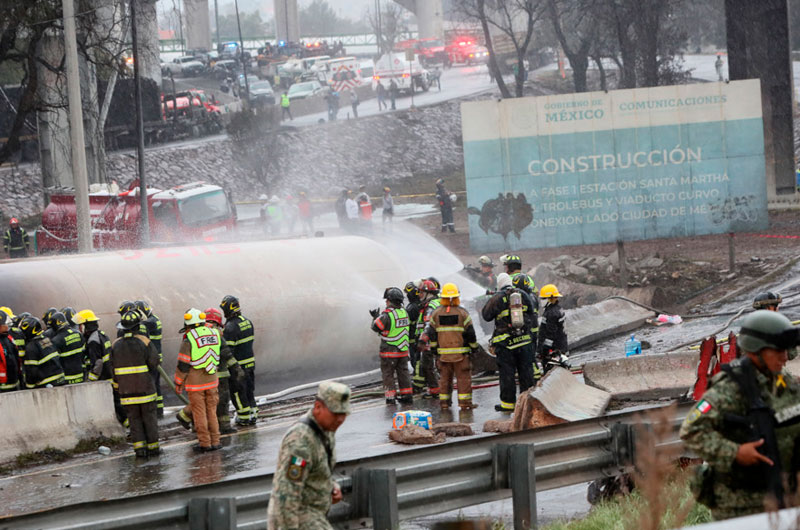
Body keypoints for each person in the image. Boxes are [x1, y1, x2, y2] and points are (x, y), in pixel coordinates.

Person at [680, 310, 800, 520]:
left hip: (784, 497)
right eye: (777, 350)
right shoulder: (729, 388)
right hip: (742, 507)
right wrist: (735, 452)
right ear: (755, 351)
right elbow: (692, 430)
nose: (785, 356)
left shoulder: (784, 382)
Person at [266, 381, 350, 529]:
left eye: (344, 414)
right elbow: (286, 495)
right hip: (295, 517)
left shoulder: (325, 431)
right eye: (335, 413)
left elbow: (317, 470)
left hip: (313, 515)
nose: (340, 419)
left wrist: (330, 487)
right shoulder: (300, 441)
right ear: (318, 407)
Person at [482, 272, 536, 412]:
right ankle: (526, 403)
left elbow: (486, 316)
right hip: (524, 341)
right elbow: (531, 311)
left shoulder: (497, 298)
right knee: (526, 372)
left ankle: (508, 404)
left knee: (507, 373)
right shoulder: (523, 295)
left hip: (505, 344)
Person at [422, 283, 478, 410]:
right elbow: (471, 333)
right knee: (463, 380)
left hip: (443, 355)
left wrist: (435, 350)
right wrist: (474, 348)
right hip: (461, 355)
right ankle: (465, 404)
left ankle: (444, 403)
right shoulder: (463, 313)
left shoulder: (436, 314)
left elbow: (431, 333)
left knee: (444, 380)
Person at [112, 310, 161, 457]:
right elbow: (154, 362)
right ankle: (153, 448)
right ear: (138, 326)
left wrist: (118, 388)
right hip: (145, 390)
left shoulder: (115, 345)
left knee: (134, 421)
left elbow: (112, 369)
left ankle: (139, 450)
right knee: (149, 418)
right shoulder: (144, 342)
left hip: (126, 392)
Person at [174, 309, 222, 452]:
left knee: (199, 412)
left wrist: (178, 383)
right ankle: (216, 441)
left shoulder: (189, 338)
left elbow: (183, 364)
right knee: (212, 411)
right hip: (212, 378)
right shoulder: (215, 333)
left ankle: (205, 443)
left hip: (196, 382)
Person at [370, 287, 413, 404]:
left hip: (389, 351)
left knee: (388, 374)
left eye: (387, 300)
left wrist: (375, 317)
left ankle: (390, 397)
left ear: (390, 300)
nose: (385, 302)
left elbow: (376, 327)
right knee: (403, 373)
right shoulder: (404, 312)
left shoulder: (387, 315)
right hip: (403, 350)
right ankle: (407, 395)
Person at [220, 295, 258, 426]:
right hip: (250, 363)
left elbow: (228, 351)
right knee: (249, 391)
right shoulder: (247, 321)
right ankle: (253, 414)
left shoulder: (230, 327)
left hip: (238, 367)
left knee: (237, 393)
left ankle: (243, 417)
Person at [413, 279, 442, 398]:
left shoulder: (430, 306)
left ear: (428, 293)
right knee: (431, 366)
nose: (419, 295)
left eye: (421, 292)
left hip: (429, 341)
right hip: (437, 339)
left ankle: (435, 391)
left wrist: (422, 339)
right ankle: (435, 390)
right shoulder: (437, 302)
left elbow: (428, 324)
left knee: (428, 366)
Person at [19, 315, 65, 388]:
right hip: (60, 380)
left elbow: (32, 371)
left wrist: (28, 387)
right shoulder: (46, 340)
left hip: (46, 384)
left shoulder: (31, 347)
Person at [137, 300, 165, 417]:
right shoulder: (155, 319)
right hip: (156, 357)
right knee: (156, 384)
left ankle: (155, 411)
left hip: (152, 358)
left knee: (152, 384)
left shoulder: (150, 323)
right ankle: (159, 410)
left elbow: (139, 327)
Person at [538, 284, 568, 376]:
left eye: (543, 299)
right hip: (561, 346)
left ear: (550, 298)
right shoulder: (557, 309)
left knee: (551, 374)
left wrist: (543, 350)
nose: (541, 301)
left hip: (553, 350)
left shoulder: (551, 313)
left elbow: (550, 334)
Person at [50, 311, 87, 385]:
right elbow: (85, 355)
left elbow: (56, 363)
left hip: (67, 380)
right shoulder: (78, 334)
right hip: (81, 377)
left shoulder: (55, 341)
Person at [404, 281, 423, 389]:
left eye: (407, 293)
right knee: (419, 361)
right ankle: (421, 381)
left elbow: (408, 325)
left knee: (416, 362)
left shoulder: (411, 308)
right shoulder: (420, 304)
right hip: (420, 338)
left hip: (413, 339)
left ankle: (418, 383)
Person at [0, 311, 21, 392]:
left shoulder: (9, 338)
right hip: (3, 387)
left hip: (14, 383)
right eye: (5, 323)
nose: (7, 326)